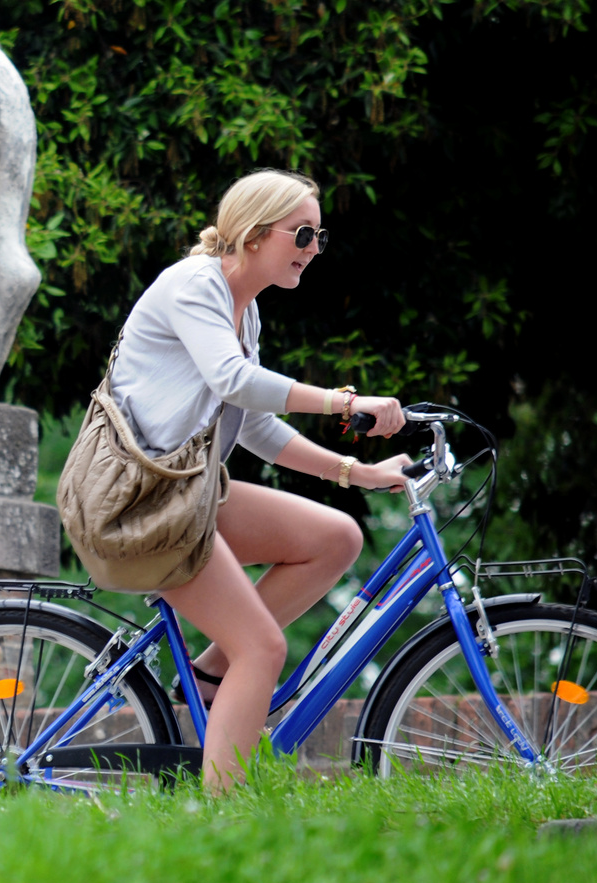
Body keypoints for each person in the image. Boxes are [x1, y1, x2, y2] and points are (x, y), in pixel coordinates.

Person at [102, 168, 411, 791]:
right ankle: (223, 821)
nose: (311, 250)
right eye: (301, 234)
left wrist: (356, 472)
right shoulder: (194, 285)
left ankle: (214, 679)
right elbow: (234, 382)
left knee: (336, 539)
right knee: (264, 650)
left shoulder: (245, 313)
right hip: (140, 501)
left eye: (318, 238)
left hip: (186, 492)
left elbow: (255, 426)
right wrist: (345, 403)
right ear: (251, 233)